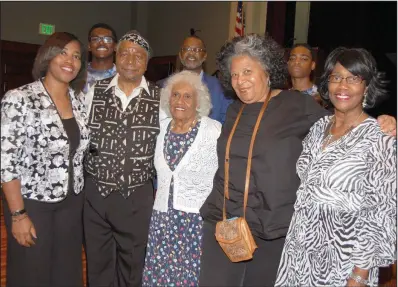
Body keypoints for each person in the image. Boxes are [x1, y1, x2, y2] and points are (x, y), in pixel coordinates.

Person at [198, 34, 397, 286]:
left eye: (248, 71)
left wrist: (385, 121)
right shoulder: (234, 110)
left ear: (267, 70)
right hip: (231, 227)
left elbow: (349, 122)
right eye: (234, 74)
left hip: (277, 234)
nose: (240, 81)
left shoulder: (297, 105)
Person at [275, 47, 397, 287]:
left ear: (367, 87)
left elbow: (381, 214)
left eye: (353, 79)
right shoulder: (319, 128)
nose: (343, 86)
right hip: (298, 252)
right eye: (336, 77)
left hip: (342, 260)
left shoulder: (380, 137)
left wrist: (358, 275)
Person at [1, 32, 90, 287]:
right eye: (63, 52)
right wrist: (18, 215)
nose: (70, 61)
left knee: (67, 273)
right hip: (32, 205)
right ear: (47, 56)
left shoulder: (79, 100)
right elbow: (6, 162)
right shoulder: (19, 99)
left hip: (72, 204)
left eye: (76, 56)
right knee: (32, 272)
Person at [83, 30, 163, 287]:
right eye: (125, 53)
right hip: (96, 192)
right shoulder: (92, 92)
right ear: (116, 57)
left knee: (133, 263)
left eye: (138, 55)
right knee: (98, 261)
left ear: (146, 62)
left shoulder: (161, 97)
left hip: (136, 195)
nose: (131, 59)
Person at [142, 70, 221, 286]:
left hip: (196, 222)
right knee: (160, 275)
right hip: (162, 220)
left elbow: (226, 172)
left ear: (198, 102)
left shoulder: (212, 130)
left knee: (191, 278)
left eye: (188, 96)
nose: (180, 101)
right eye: (176, 95)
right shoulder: (160, 128)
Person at [159, 35, 233, 124]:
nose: (191, 53)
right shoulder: (162, 86)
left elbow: (227, 124)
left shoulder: (221, 89)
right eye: (186, 49)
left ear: (205, 56)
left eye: (197, 50)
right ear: (180, 54)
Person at [83, 23, 117, 93]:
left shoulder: (122, 75)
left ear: (115, 46)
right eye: (95, 39)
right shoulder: (78, 74)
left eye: (107, 39)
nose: (101, 43)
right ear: (89, 46)